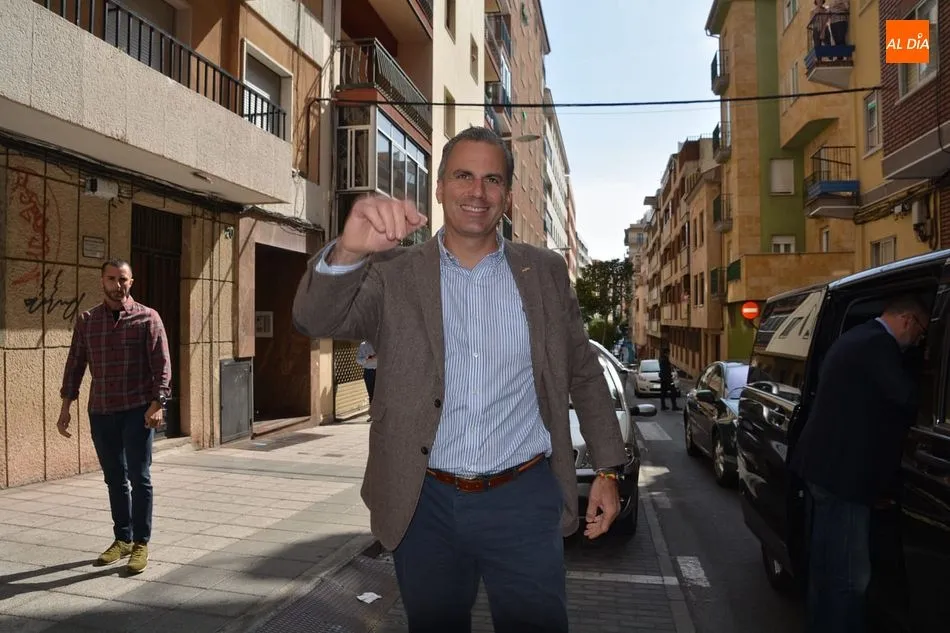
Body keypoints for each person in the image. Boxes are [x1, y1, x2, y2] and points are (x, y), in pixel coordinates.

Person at [292, 126, 627, 633]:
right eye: (464, 176)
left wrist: (608, 468)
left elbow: (582, 371)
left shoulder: (546, 272)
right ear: (442, 186)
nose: (477, 191)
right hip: (424, 504)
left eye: (492, 179)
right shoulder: (392, 272)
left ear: (508, 195)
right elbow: (314, 320)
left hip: (523, 498)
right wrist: (347, 251)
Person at [789, 295, 928, 633]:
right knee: (851, 578)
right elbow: (907, 399)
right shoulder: (879, 347)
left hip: (822, 469)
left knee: (824, 569)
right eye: (922, 333)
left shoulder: (855, 338)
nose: (919, 342)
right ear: (908, 320)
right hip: (843, 478)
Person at [57, 258, 171, 575]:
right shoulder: (87, 320)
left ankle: (141, 544)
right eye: (111, 279)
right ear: (101, 281)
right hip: (101, 411)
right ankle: (122, 538)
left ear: (130, 282)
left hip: (137, 411)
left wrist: (158, 403)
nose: (117, 285)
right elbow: (75, 364)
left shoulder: (149, 319)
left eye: (123, 279)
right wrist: (66, 406)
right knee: (114, 479)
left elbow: (162, 366)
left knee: (140, 477)